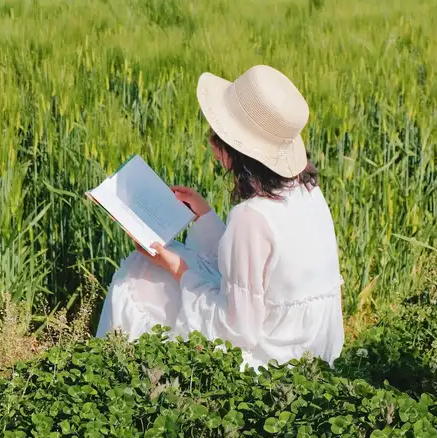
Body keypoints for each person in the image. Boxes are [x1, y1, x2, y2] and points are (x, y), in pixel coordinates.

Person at [96, 65, 345, 371]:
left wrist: (175, 267)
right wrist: (205, 217)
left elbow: (239, 331)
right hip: (313, 349)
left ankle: (118, 378)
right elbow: (261, 269)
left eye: (218, 136)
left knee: (135, 276)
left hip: (273, 364)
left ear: (237, 151)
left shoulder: (251, 216)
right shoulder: (306, 190)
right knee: (167, 264)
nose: (212, 143)